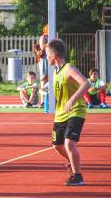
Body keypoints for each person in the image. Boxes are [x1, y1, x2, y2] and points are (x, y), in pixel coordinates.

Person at [45, 38, 90, 186]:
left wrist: (72, 100)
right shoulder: (55, 71)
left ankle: (78, 176)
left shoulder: (69, 68)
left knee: (69, 143)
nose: (46, 58)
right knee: (57, 145)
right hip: (61, 112)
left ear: (53, 56)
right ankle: (71, 162)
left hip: (76, 109)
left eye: (47, 55)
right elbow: (48, 50)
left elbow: (86, 83)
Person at [36, 24, 49, 107]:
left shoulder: (52, 36)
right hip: (44, 59)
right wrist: (49, 43)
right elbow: (42, 48)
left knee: (51, 79)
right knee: (44, 79)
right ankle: (43, 101)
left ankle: (49, 100)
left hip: (51, 59)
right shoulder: (43, 37)